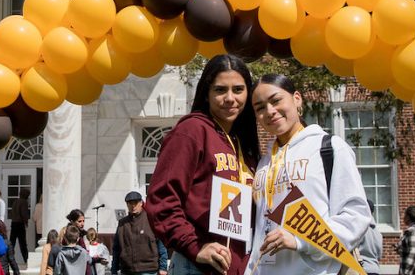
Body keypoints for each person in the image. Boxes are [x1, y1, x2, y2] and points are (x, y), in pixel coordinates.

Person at [245, 74, 370, 275]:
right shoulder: (264, 162)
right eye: (260, 108)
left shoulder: (329, 148)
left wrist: (299, 240)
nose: (269, 111)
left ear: (297, 98)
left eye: (276, 100)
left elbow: (356, 216)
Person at [146, 54, 260, 275]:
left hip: (237, 266)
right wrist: (194, 246)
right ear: (206, 94)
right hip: (197, 265)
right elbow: (162, 198)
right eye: (220, 90)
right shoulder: (191, 132)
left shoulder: (243, 144)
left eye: (238, 89)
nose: (229, 98)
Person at [111, 191, 168, 275]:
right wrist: (114, 269)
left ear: (141, 203)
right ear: (127, 204)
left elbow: (161, 244)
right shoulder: (122, 224)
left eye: (135, 203)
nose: (133, 206)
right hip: (127, 270)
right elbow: (116, 248)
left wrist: (163, 267)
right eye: (130, 203)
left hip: (149, 270)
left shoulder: (151, 220)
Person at [359, 199, 383, 275]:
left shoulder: (359, 229)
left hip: (361, 269)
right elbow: (379, 255)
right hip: (375, 269)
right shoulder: (378, 233)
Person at [10, 188, 30, 265]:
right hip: (20, 224)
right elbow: (24, 214)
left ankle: (8, 258)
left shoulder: (15, 201)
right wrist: (26, 222)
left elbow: (12, 212)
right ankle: (26, 260)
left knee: (12, 243)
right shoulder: (24, 202)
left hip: (13, 223)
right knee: (22, 244)